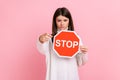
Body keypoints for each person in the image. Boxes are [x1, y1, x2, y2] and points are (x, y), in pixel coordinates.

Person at [36, 7, 88, 80]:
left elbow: (81, 62)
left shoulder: (75, 38)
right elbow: (42, 50)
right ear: (55, 21)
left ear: (69, 21)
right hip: (54, 75)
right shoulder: (50, 39)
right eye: (59, 20)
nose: (62, 23)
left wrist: (83, 53)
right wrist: (40, 40)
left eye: (65, 20)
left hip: (71, 75)